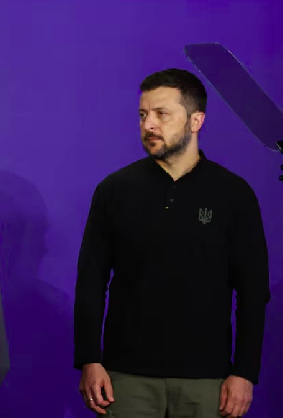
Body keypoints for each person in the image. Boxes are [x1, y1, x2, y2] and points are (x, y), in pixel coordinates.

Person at [74, 68, 269, 418]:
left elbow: (253, 292)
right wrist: (89, 359)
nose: (148, 124)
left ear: (196, 120)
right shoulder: (114, 191)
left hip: (208, 381)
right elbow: (90, 282)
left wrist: (244, 373)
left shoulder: (234, 195)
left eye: (162, 114)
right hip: (126, 379)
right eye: (143, 114)